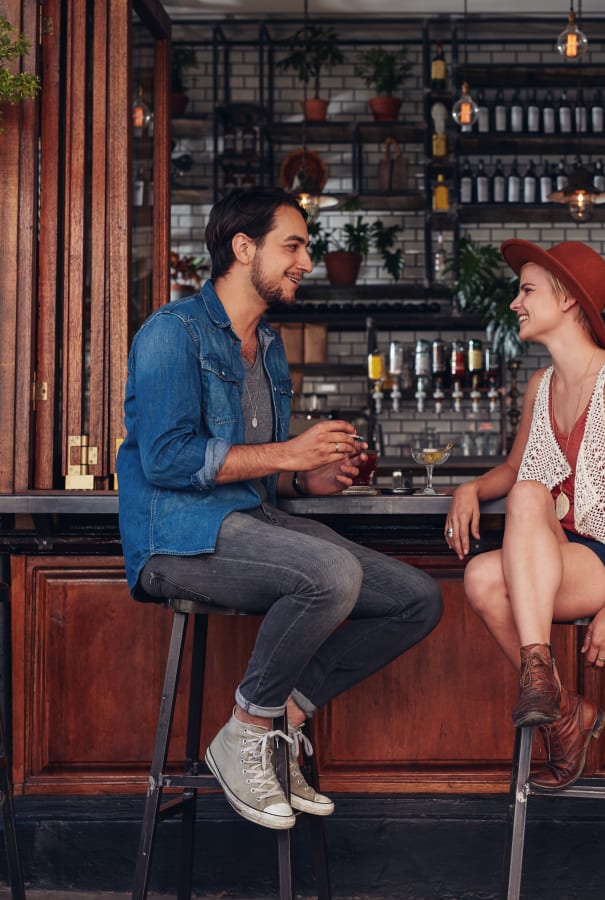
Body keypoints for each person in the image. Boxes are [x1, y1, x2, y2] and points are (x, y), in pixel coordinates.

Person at [117, 188, 443, 830]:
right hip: (175, 539)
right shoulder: (171, 333)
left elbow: (261, 470)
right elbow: (166, 460)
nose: (305, 262)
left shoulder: (267, 347)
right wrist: (288, 453)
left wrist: (308, 478)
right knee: (330, 574)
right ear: (244, 248)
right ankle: (243, 732)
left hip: (251, 524)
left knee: (418, 598)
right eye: (292, 246)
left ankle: (281, 722)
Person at [444, 239, 605, 791]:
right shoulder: (541, 386)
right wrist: (471, 489)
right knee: (484, 568)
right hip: (563, 551)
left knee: (524, 506)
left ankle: (551, 699)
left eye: (526, 291)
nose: (515, 304)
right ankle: (563, 704)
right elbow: (513, 467)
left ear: (568, 300)